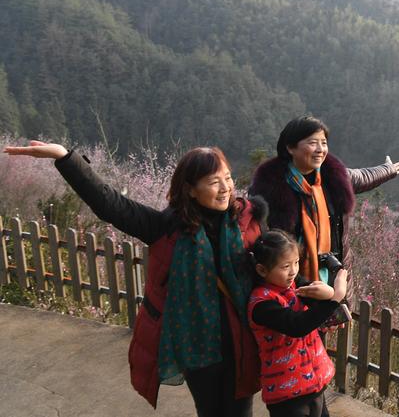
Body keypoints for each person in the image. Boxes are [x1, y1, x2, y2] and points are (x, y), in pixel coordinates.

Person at [4, 141, 266, 417]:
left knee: (241, 412)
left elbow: (275, 265)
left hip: (242, 341)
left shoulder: (247, 221)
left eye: (227, 178)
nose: (225, 188)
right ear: (190, 189)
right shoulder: (167, 228)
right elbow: (110, 204)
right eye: (214, 182)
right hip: (197, 348)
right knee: (210, 411)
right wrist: (65, 158)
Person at [248, 115, 399, 288]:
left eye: (324, 143)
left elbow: (363, 176)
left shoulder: (333, 177)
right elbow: (260, 240)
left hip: (335, 276)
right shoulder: (269, 189)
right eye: (313, 143)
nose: (320, 149)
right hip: (290, 283)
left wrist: (388, 169)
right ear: (290, 147)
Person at [247, 230, 348, 417]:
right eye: (285, 266)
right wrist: (336, 298)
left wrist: (328, 295)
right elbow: (297, 325)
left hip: (314, 384)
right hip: (287, 396)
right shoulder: (261, 304)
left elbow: (317, 305)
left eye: (296, 263)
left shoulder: (295, 285)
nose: (293, 271)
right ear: (262, 270)